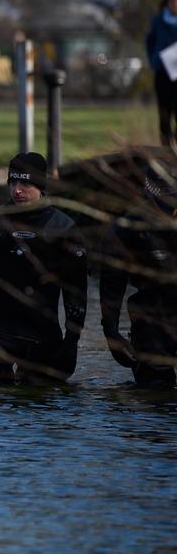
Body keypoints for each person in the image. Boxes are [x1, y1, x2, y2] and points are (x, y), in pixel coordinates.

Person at [0, 153, 87, 382]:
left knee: (40, 405)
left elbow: (75, 293)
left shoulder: (63, 229)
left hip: (43, 337)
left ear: (41, 186)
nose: (17, 191)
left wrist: (72, 341)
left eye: (25, 183)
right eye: (12, 183)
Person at [99, 161, 177, 387]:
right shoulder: (126, 230)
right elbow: (112, 287)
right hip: (152, 321)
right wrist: (111, 331)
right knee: (154, 391)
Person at [146, 0, 177, 150]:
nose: (175, 5)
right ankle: (166, 148)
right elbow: (150, 41)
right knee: (164, 111)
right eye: (172, 1)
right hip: (163, 72)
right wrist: (153, 60)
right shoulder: (158, 21)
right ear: (167, 3)